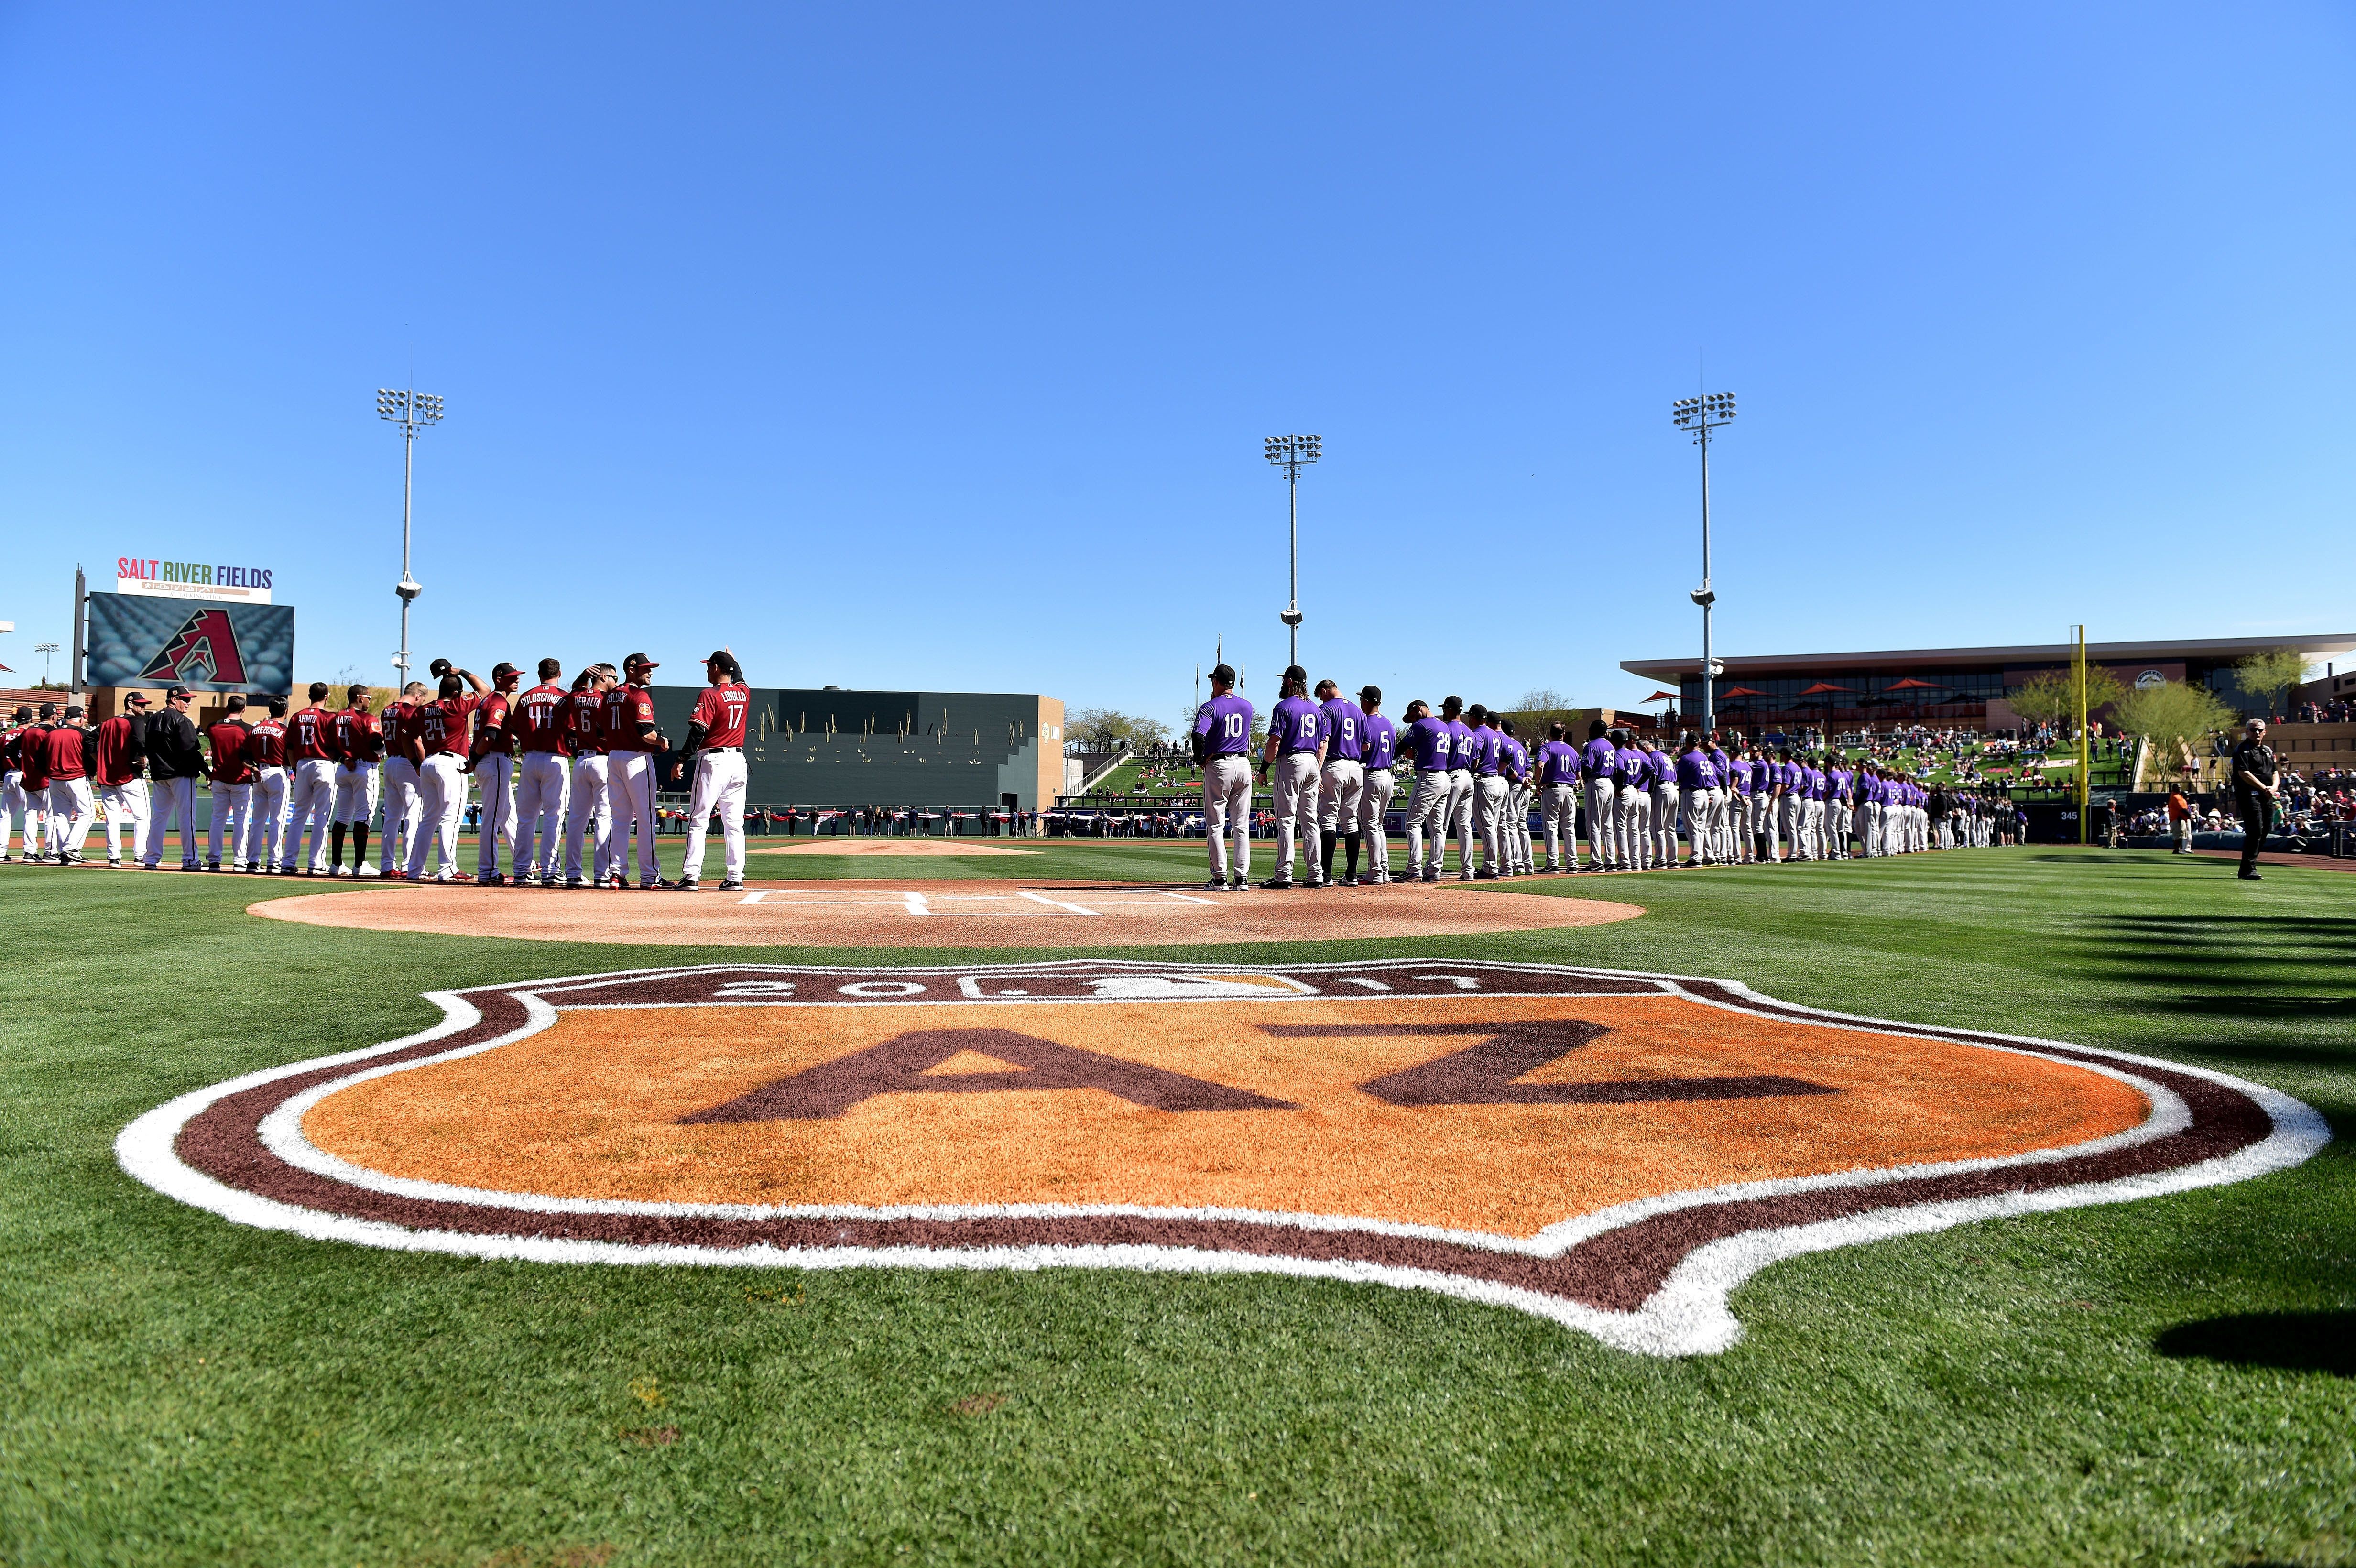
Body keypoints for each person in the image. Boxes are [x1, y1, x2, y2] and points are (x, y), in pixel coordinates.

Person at [674, 651, 752, 891]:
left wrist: (681, 758)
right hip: (738, 761)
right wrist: (734, 661)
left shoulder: (709, 694)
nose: (707, 670)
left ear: (717, 668)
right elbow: (740, 678)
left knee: (698, 819)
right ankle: (735, 876)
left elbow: (698, 732)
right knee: (734, 823)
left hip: (714, 760)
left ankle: (691, 876)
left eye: (710, 666)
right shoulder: (744, 693)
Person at [601, 653, 669, 889]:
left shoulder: (610, 697)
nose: (650, 672)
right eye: (646, 669)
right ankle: (650, 875)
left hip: (614, 757)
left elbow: (601, 732)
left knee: (620, 819)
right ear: (632, 670)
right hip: (637, 759)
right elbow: (647, 734)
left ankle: (617, 874)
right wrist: (662, 742)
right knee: (646, 818)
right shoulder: (639, 696)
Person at [1259, 664, 1327, 889]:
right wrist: (1317, 770)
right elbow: (1322, 744)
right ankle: (1315, 874)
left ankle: (1284, 875)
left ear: (1290, 681)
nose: (1282, 683)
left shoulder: (1283, 707)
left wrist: (1263, 768)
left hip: (1292, 761)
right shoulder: (1318, 710)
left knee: (1286, 819)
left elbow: (1274, 743)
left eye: (1284, 679)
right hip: (1312, 762)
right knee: (1310, 821)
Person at [1190, 662, 1254, 890]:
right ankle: (1242, 878)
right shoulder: (1247, 706)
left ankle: (1219, 878)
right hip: (1244, 763)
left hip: (1219, 765)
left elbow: (1198, 736)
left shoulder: (1209, 707)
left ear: (1217, 682)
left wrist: (1199, 760)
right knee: (1241, 825)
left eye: (1213, 680)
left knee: (1216, 824)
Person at [508, 659, 572, 887]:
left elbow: (514, 729)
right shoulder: (565, 698)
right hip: (555, 757)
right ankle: (550, 869)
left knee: (525, 818)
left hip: (530, 759)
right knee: (554, 816)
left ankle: (521, 870)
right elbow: (573, 730)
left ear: (539, 674)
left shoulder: (525, 697)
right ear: (560, 673)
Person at [561, 666, 617, 889]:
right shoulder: (607, 700)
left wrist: (584, 675)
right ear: (602, 677)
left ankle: (573, 873)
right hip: (602, 760)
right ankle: (602, 874)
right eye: (613, 677)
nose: (616, 681)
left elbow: (575, 688)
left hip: (581, 760)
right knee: (604, 817)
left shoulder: (577, 697)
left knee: (576, 820)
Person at [470, 663, 523, 884]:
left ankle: (523, 864)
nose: (517, 680)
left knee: (509, 817)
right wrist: (473, 760)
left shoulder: (487, 701)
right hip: (494, 760)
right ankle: (488, 870)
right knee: (492, 819)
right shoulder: (498, 701)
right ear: (499, 678)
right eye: (512, 677)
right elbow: (491, 735)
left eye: (517, 676)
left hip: (489, 761)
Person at [141, 687, 204, 870]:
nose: (189, 703)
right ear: (173, 699)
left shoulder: (152, 719)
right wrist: (207, 772)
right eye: (185, 699)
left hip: (160, 775)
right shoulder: (181, 720)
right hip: (181, 774)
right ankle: (190, 859)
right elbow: (191, 751)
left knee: (159, 817)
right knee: (187, 817)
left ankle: (151, 858)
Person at [1314, 679, 1368, 887]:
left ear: (1326, 691)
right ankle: (1352, 875)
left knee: (1328, 819)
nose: (1320, 698)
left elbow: (1323, 742)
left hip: (1333, 765)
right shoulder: (1358, 712)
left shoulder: (1326, 709)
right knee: (1351, 821)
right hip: (1356, 767)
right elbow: (1366, 745)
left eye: (1320, 695)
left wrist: (1317, 771)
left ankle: (1326, 875)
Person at [327, 685, 384, 878]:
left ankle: (336, 864)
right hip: (364, 768)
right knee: (364, 816)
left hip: (344, 768)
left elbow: (328, 747)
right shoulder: (367, 719)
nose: (370, 701)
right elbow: (377, 746)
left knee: (342, 817)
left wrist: (344, 759)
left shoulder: (335, 718)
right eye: (368, 697)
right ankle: (360, 865)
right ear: (360, 698)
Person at [283, 683, 338, 875]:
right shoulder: (330, 717)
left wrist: (295, 768)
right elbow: (338, 745)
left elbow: (289, 747)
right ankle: (315, 863)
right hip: (324, 764)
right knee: (322, 816)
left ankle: (288, 862)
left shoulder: (297, 716)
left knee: (299, 815)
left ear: (309, 695)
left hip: (302, 764)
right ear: (327, 696)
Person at [91, 692, 150, 867]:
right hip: (130, 775)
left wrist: (99, 760)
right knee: (143, 817)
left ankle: (114, 857)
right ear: (130, 704)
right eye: (141, 704)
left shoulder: (108, 723)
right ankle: (140, 855)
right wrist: (142, 759)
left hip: (108, 777)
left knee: (112, 818)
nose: (144, 707)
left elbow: (89, 740)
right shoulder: (136, 722)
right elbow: (140, 742)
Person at [1396, 698, 1451, 882]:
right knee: (1437, 828)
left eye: (1412, 716)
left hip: (1428, 777)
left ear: (1419, 709)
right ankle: (1434, 869)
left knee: (1412, 823)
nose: (1412, 721)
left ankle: (1414, 868)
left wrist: (1387, 759)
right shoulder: (1444, 726)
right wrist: (1416, 751)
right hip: (1444, 777)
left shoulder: (1421, 725)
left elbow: (1401, 747)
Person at [376, 682, 427, 879]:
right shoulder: (411, 712)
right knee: (413, 815)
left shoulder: (387, 710)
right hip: (408, 763)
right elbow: (416, 741)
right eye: (421, 700)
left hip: (390, 763)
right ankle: (410, 865)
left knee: (391, 818)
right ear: (417, 696)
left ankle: (387, 865)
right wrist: (421, 765)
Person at [43, 705, 96, 864]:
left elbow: (41, 757)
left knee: (60, 816)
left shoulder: (51, 733)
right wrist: (92, 772)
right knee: (88, 814)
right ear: (80, 718)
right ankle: (71, 849)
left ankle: (65, 852)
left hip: (54, 780)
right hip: (76, 778)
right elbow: (91, 755)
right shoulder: (84, 734)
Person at [243, 697, 290, 873]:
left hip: (258, 773)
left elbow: (244, 756)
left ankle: (252, 861)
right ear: (285, 711)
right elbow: (291, 753)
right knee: (277, 820)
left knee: (257, 821)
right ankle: (274, 861)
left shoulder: (255, 729)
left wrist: (253, 767)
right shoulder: (284, 730)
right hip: (278, 772)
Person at [2230, 718, 2280, 881]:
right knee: (2255, 829)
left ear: (2265, 732)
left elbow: (2275, 772)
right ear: (2247, 732)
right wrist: (2263, 788)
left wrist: (2273, 787)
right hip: (2250, 795)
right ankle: (2248, 869)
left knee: (2266, 830)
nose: (2256, 733)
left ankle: (2249, 864)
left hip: (2267, 795)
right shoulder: (2241, 750)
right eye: (2253, 730)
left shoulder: (2267, 750)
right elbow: (2244, 773)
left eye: (2260, 730)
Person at [1357, 686, 1397, 885]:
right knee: (1378, 825)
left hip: (1371, 775)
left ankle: (1375, 871)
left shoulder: (1366, 723)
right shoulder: (1389, 723)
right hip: (1388, 776)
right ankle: (1384, 869)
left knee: (1370, 825)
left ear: (1366, 701)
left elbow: (1361, 751)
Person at [1535, 721, 1580, 872]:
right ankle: (1573, 863)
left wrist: (1538, 783)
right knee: (1569, 828)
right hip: (1569, 790)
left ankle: (1553, 864)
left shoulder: (1547, 747)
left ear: (1550, 734)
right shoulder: (1572, 751)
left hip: (1552, 790)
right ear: (1564, 735)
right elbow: (1579, 775)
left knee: (1551, 827)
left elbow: (1540, 765)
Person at [1580, 719, 1618, 872]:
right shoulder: (1610, 746)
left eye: (1590, 729)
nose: (1588, 732)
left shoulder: (1591, 746)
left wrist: (1583, 778)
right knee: (1607, 824)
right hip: (1609, 783)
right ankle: (1611, 861)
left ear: (1594, 731)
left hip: (1597, 783)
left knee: (1593, 824)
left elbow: (1586, 769)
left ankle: (1596, 862)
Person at [17, 704, 55, 862]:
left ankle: (29, 851)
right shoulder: (49, 731)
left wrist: (22, 765)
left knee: (30, 815)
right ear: (54, 716)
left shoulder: (28, 731)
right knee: (52, 815)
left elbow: (11, 749)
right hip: (44, 779)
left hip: (28, 779)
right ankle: (50, 851)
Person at [2166, 786, 2194, 854]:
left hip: (2179, 818)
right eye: (2178, 788)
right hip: (2178, 818)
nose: (2180, 789)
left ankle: (2180, 849)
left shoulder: (2175, 796)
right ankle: (2178, 850)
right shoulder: (2176, 797)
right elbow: (2182, 809)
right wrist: (2189, 816)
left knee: (2181, 834)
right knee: (2179, 835)